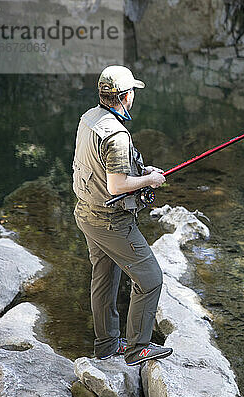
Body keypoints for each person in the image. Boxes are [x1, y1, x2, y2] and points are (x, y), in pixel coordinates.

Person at [72, 65, 172, 366]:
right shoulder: (117, 134)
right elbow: (116, 185)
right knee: (151, 279)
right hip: (111, 221)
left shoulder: (90, 118)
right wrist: (150, 181)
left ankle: (106, 345)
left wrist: (142, 171)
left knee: (104, 278)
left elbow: (102, 168)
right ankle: (138, 348)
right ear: (126, 96)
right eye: (133, 93)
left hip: (86, 214)